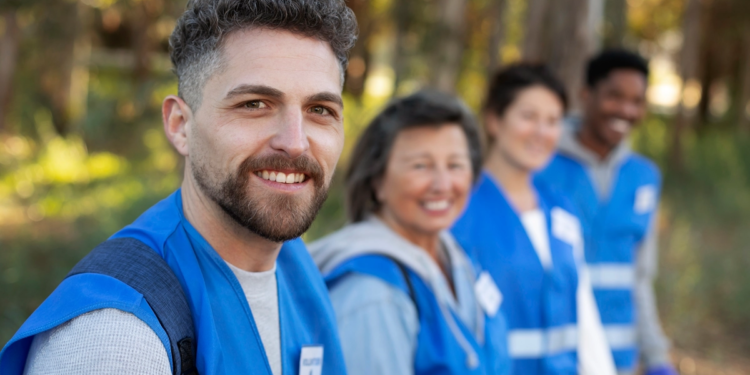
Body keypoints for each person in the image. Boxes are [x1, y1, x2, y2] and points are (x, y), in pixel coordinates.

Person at [0, 1, 357, 374]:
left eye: (320, 110)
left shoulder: (296, 267)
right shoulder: (114, 340)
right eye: (255, 104)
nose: (295, 142)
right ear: (180, 125)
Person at [310, 91, 511, 375]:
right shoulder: (372, 293)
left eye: (455, 165)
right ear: (377, 180)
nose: (443, 184)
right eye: (421, 166)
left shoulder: (458, 258)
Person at [451, 63, 617, 375]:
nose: (542, 132)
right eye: (529, 117)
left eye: (553, 121)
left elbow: (583, 315)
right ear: (494, 120)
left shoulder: (561, 209)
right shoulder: (459, 210)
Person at [536, 50, 677, 375]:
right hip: (556, 358)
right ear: (586, 95)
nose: (626, 110)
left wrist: (657, 356)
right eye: (614, 96)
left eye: (637, 101)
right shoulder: (541, 167)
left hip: (620, 360)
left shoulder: (644, 177)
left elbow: (641, 277)